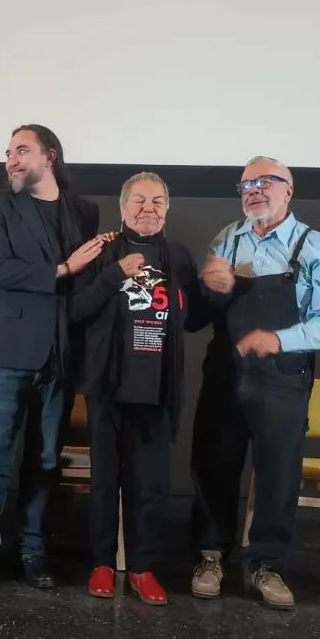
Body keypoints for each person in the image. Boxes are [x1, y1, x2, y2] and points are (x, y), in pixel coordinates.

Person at [190, 156, 320, 610]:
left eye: (266, 182)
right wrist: (210, 288)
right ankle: (210, 555)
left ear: (289, 190)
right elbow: (205, 312)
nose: (254, 191)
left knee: (279, 473)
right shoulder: (227, 239)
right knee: (213, 464)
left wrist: (279, 339)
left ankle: (265, 564)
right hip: (225, 373)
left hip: (281, 378)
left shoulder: (312, 246)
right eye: (246, 184)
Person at [0, 124, 102, 594]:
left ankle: (33, 551)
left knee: (43, 460)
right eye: (8, 153)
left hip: (59, 356)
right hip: (6, 354)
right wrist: (62, 268)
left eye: (22, 150)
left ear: (50, 156)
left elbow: (84, 289)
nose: (11, 160)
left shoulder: (84, 212)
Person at [70, 172, 207, 603]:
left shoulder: (180, 256)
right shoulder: (102, 250)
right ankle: (103, 564)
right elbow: (75, 309)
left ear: (168, 209)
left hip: (158, 388)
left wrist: (213, 292)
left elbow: (194, 320)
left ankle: (144, 568)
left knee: (151, 485)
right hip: (108, 386)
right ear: (122, 208)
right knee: (105, 481)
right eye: (139, 202)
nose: (148, 209)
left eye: (157, 202)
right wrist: (113, 274)